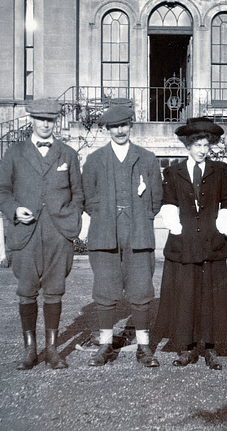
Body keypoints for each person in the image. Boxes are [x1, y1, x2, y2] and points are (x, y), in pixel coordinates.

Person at [0, 98, 84, 370]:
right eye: (40, 119)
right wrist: (14, 209)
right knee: (27, 291)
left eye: (50, 120)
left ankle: (53, 350)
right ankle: (29, 350)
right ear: (31, 120)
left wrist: (73, 216)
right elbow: (1, 192)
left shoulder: (67, 153)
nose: (45, 125)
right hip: (27, 233)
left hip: (59, 233)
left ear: (55, 122)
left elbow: (78, 193)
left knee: (55, 291)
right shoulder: (15, 153)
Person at [82, 105, 163, 368]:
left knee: (141, 290)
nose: (119, 131)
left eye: (124, 125)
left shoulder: (148, 159)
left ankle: (143, 346)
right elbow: (87, 198)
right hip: (104, 233)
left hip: (138, 233)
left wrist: (141, 217)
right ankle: (105, 345)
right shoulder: (94, 160)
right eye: (114, 127)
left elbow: (156, 199)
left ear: (131, 126)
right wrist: (107, 215)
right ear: (107, 129)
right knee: (105, 291)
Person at [154, 118, 227, 370]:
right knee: (186, 294)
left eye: (206, 145)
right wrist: (176, 227)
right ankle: (186, 347)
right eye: (197, 145)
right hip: (184, 242)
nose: (202, 149)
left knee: (210, 295)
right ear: (187, 146)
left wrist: (222, 226)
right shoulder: (173, 172)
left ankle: (210, 348)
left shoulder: (221, 171)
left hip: (212, 241)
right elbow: (168, 203)